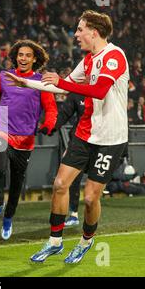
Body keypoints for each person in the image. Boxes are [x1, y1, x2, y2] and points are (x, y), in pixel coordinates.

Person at [6, 10, 129, 263]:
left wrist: (62, 83)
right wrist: (25, 83)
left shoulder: (114, 56)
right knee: (60, 185)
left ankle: (85, 240)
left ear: (94, 32)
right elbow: (58, 84)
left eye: (80, 29)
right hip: (84, 134)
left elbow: (99, 90)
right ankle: (55, 242)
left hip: (110, 138)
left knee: (91, 197)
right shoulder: (87, 60)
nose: (76, 34)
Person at [0, 39, 57, 240]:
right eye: (20, 54)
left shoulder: (41, 82)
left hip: (25, 138)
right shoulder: (4, 76)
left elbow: (50, 108)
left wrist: (49, 124)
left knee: (16, 182)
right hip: (1, 129)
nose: (23, 58)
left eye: (27, 55)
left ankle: (8, 217)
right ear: (15, 57)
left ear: (34, 59)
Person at [54, 92, 85, 227]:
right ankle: (73, 214)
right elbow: (64, 115)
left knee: (93, 187)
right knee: (72, 180)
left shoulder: (102, 93)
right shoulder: (77, 95)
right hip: (79, 143)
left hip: (98, 143)